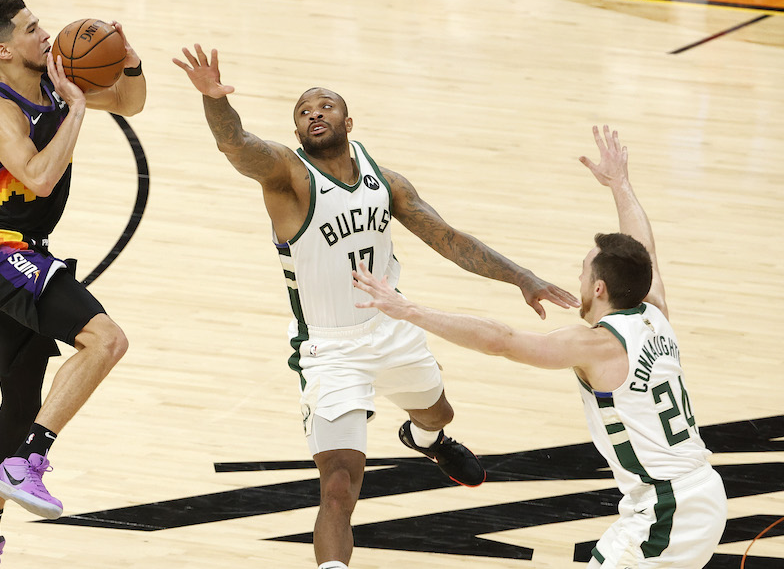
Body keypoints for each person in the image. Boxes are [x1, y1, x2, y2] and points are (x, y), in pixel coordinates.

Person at [172, 44, 578, 569]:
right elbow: (236, 144)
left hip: (393, 327)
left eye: (325, 105)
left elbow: (449, 239)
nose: (314, 113)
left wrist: (522, 277)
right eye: (303, 111)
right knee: (339, 485)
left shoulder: (385, 181)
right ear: (297, 134)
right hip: (331, 348)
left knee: (438, 412)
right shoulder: (288, 176)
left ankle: (426, 439)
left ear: (348, 120)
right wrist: (214, 101)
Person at [353, 126, 727, 568]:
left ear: (601, 287)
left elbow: (502, 342)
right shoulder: (654, 312)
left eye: (585, 272)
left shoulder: (597, 344)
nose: (580, 278)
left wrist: (409, 309)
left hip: (667, 510)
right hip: (696, 494)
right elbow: (644, 252)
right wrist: (620, 186)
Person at [0, 0, 146, 569]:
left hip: (21, 254)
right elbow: (35, 176)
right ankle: (31, 458)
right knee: (106, 340)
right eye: (32, 29)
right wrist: (77, 110)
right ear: (4, 50)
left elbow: (132, 102)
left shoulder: (56, 86)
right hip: (0, 251)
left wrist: (127, 60)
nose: (46, 34)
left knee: (22, 400)